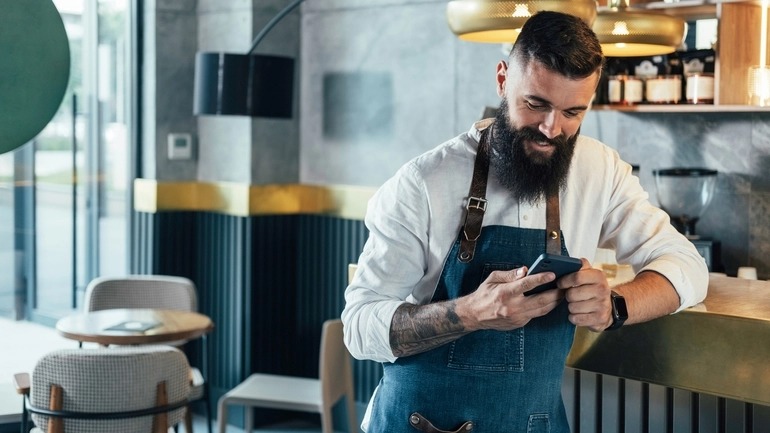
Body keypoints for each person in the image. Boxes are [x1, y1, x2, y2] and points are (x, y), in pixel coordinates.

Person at [341, 10, 708, 433]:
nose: (552, 129)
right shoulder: (423, 183)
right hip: (419, 422)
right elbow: (359, 326)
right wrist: (470, 312)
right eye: (536, 104)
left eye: (573, 112)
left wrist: (615, 305)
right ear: (502, 80)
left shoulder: (598, 170)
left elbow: (687, 265)